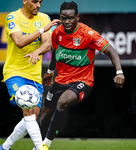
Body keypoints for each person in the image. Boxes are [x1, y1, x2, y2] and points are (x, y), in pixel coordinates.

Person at [38, 1, 125, 149]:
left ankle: (46, 144)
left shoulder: (88, 34)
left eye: (70, 18)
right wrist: (50, 71)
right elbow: (54, 53)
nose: (67, 22)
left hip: (82, 81)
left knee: (62, 102)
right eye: (63, 18)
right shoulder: (57, 32)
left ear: (77, 17)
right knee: (44, 118)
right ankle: (38, 145)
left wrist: (119, 72)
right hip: (60, 81)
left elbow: (111, 51)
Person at [0, 0, 60, 150]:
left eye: (40, 1)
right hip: (15, 72)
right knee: (28, 109)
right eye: (34, 1)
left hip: (34, 75)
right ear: (25, 1)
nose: (38, 5)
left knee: (31, 117)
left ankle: (5, 147)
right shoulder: (13, 17)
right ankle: (40, 147)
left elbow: (48, 44)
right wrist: (41, 30)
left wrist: (36, 51)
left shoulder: (43, 18)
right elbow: (19, 41)